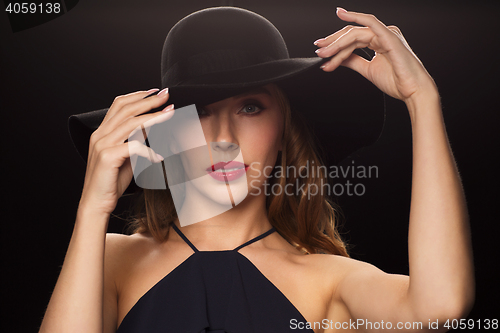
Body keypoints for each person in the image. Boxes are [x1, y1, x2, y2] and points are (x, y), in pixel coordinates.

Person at [38, 6, 474, 333]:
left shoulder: (329, 280)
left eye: (251, 107)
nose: (224, 136)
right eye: (201, 110)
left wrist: (422, 100)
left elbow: (440, 307)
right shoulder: (111, 258)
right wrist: (92, 210)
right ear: (166, 131)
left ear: (284, 128)